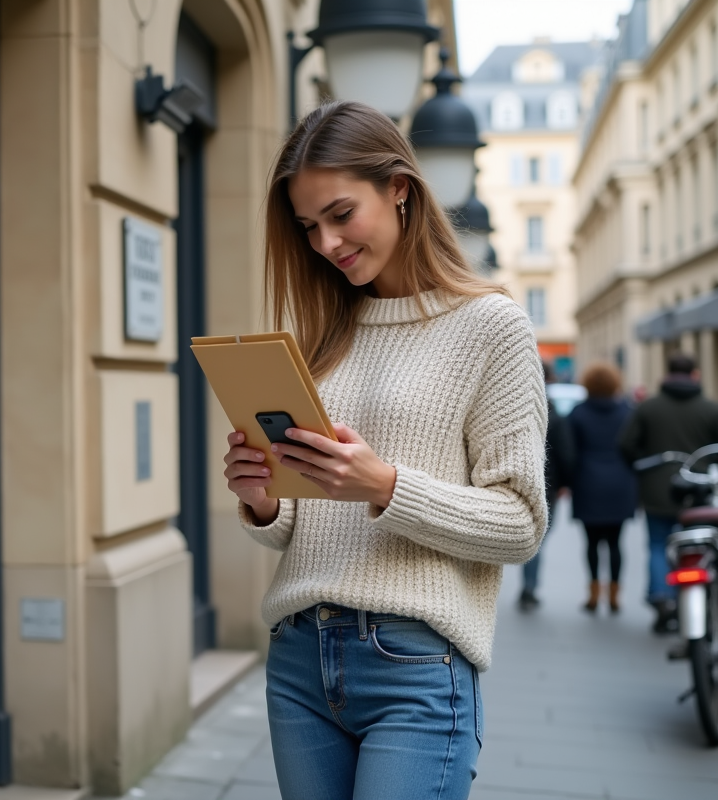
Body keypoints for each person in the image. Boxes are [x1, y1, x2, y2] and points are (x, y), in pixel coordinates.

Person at [223, 101, 546, 799]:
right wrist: (264, 500)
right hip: (299, 658)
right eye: (309, 226)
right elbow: (305, 523)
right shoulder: (325, 335)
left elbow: (520, 524)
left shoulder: (493, 327)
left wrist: (386, 486)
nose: (326, 244)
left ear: (400, 188)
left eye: (341, 214)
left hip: (415, 665)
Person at [618, 353, 718, 633]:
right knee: (699, 544)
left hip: (658, 488)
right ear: (695, 374)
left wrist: (641, 467)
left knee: (659, 544)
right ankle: (701, 595)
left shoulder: (648, 408)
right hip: (699, 489)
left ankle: (662, 597)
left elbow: (625, 444)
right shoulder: (711, 409)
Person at [568, 363, 637, 613]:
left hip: (588, 482)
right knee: (617, 543)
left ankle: (594, 593)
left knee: (591, 543)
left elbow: (570, 452)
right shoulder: (627, 411)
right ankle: (615, 594)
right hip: (621, 482)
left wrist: (568, 481)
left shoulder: (578, 413)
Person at [518, 360, 575, 611]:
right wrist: (564, 483)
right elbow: (566, 454)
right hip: (546, 486)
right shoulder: (553, 413)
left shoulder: (514, 410)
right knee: (536, 540)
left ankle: (526, 586)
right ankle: (529, 587)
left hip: (516, 481)